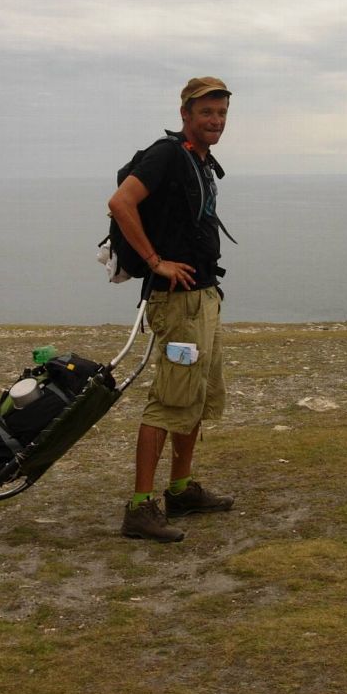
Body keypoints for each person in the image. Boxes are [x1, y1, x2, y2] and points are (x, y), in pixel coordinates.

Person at [108, 76, 236, 542]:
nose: (215, 121)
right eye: (207, 113)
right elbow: (121, 203)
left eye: (221, 113)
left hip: (203, 297)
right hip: (177, 302)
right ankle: (140, 507)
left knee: (197, 394)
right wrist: (155, 262)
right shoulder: (167, 154)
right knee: (169, 399)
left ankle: (179, 491)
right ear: (186, 114)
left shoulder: (200, 161)